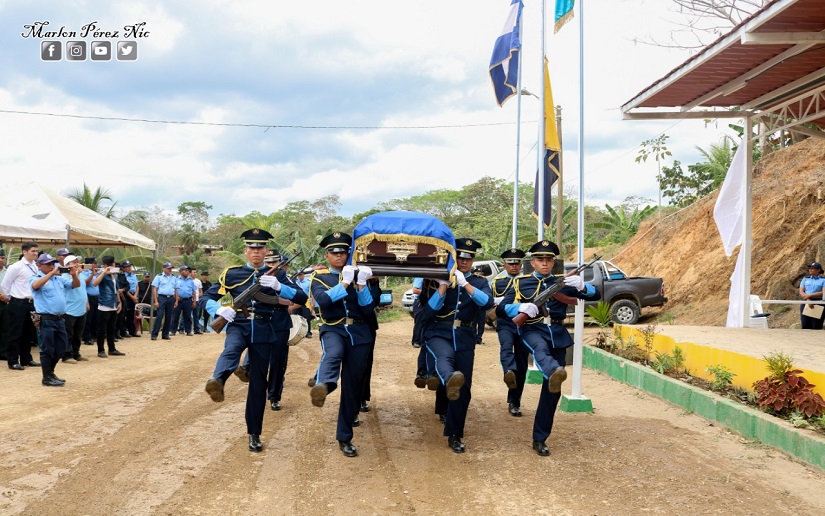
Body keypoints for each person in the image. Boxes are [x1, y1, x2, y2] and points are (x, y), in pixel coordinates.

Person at [202, 228, 307, 453]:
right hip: (239, 324)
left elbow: (302, 297)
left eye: (260, 248)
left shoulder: (278, 275)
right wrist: (218, 309)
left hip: (263, 328)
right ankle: (218, 380)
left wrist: (279, 286)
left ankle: (254, 433)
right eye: (252, 248)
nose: (256, 251)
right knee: (231, 349)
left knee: (258, 384)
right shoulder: (232, 273)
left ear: (266, 251)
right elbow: (207, 296)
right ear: (245, 251)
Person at [498, 240, 601, 456]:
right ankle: (553, 369)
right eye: (540, 259)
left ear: (553, 263)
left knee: (552, 390)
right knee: (541, 351)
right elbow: (501, 309)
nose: (545, 263)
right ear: (533, 262)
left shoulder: (563, 282)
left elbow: (596, 295)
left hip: (557, 333)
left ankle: (540, 438)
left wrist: (582, 286)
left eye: (549, 260)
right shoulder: (520, 283)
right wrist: (519, 307)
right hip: (532, 330)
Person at [309, 231, 380, 458]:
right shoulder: (319, 277)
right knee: (333, 353)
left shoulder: (362, 275)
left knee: (352, 387)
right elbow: (323, 300)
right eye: (334, 252)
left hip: (359, 332)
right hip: (333, 328)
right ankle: (324, 384)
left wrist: (361, 284)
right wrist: (346, 282)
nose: (339, 256)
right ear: (327, 256)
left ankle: (345, 437)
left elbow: (368, 309)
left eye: (343, 252)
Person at [420, 238, 494, 453]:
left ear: (473, 260)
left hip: (464, 336)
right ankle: (446, 389)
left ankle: (454, 433)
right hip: (439, 332)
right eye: (460, 257)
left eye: (468, 258)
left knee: (463, 387)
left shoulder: (479, 282)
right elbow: (429, 312)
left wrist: (465, 285)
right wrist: (443, 285)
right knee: (445, 360)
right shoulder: (434, 279)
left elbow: (487, 303)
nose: (464, 261)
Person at [30, 252, 80, 386]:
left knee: (61, 348)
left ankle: (51, 373)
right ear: (39, 265)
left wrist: (74, 275)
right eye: (48, 264)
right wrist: (52, 273)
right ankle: (46, 377)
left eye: (52, 264)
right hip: (46, 319)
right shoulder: (36, 277)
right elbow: (35, 286)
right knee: (47, 349)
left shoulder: (58, 279)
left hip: (59, 319)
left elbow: (75, 285)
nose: (51, 266)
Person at [492, 248, 528, 417]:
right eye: (510, 263)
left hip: (524, 324)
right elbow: (491, 303)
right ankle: (509, 371)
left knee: (522, 363)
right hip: (505, 322)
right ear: (504, 265)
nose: (514, 266)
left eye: (517, 263)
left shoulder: (528, 281)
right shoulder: (497, 282)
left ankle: (514, 402)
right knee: (506, 347)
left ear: (521, 265)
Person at [1, 242, 41, 370]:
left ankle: (26, 359)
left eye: (36, 251)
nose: (35, 253)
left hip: (31, 303)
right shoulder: (16, 267)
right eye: (33, 251)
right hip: (17, 302)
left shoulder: (35, 266)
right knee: (15, 333)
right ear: (24, 252)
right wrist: (11, 298)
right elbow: (5, 285)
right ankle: (12, 360)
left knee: (28, 332)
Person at [92, 256, 126, 358]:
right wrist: (104, 272)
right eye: (111, 264)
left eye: (113, 264)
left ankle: (112, 349)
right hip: (104, 305)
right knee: (102, 329)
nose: (113, 266)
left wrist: (119, 302)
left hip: (113, 304)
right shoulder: (102, 274)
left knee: (112, 328)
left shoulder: (115, 275)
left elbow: (115, 290)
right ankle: (100, 350)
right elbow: (94, 283)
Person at [61, 254, 89, 363]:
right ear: (67, 265)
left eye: (77, 262)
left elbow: (83, 289)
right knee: (69, 334)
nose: (77, 264)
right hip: (69, 309)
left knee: (78, 334)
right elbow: (73, 284)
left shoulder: (81, 274)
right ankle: (67, 355)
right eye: (74, 262)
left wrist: (87, 302)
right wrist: (76, 273)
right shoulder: (64, 276)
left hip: (81, 309)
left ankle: (76, 353)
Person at [151, 262, 176, 340]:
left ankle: (165, 334)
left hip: (171, 298)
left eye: (170, 268)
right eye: (168, 268)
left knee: (169, 317)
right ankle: (154, 334)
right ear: (164, 268)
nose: (170, 270)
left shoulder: (173, 277)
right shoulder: (159, 277)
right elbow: (155, 289)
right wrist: (156, 301)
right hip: (162, 297)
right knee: (159, 316)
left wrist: (176, 301)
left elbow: (176, 289)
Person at [799, 261, 825, 330]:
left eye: (813, 268)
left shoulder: (823, 280)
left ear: (818, 270)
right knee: (805, 324)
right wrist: (808, 299)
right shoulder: (805, 279)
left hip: (818, 302)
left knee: (816, 325)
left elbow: (823, 292)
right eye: (810, 268)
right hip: (806, 301)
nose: (810, 269)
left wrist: (809, 295)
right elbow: (801, 291)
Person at [172, 265, 196, 336]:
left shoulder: (190, 281)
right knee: (175, 316)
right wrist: (176, 297)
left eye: (188, 270)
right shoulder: (176, 279)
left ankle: (188, 331)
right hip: (178, 300)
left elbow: (194, 291)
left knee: (188, 316)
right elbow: (173, 290)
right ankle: (173, 331)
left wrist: (194, 301)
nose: (187, 272)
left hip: (188, 300)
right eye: (186, 270)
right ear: (181, 271)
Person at [80, 257, 100, 345]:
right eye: (95, 263)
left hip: (97, 297)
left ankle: (94, 335)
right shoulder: (84, 273)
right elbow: (85, 283)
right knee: (88, 319)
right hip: (89, 297)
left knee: (96, 318)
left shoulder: (97, 272)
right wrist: (92, 274)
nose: (96, 265)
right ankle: (87, 337)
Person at [117, 260, 139, 338]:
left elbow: (137, 286)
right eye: (127, 267)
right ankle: (123, 331)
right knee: (124, 315)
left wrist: (135, 296)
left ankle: (132, 331)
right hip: (126, 295)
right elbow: (125, 288)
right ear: (123, 268)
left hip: (134, 295)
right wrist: (132, 297)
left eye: (130, 266)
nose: (129, 268)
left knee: (131, 315)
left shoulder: (134, 275)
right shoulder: (122, 276)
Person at [0, 248, 9, 362]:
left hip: (6, 302)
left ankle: (3, 353)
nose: (1, 260)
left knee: (5, 328)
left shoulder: (8, 271)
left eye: (2, 258)